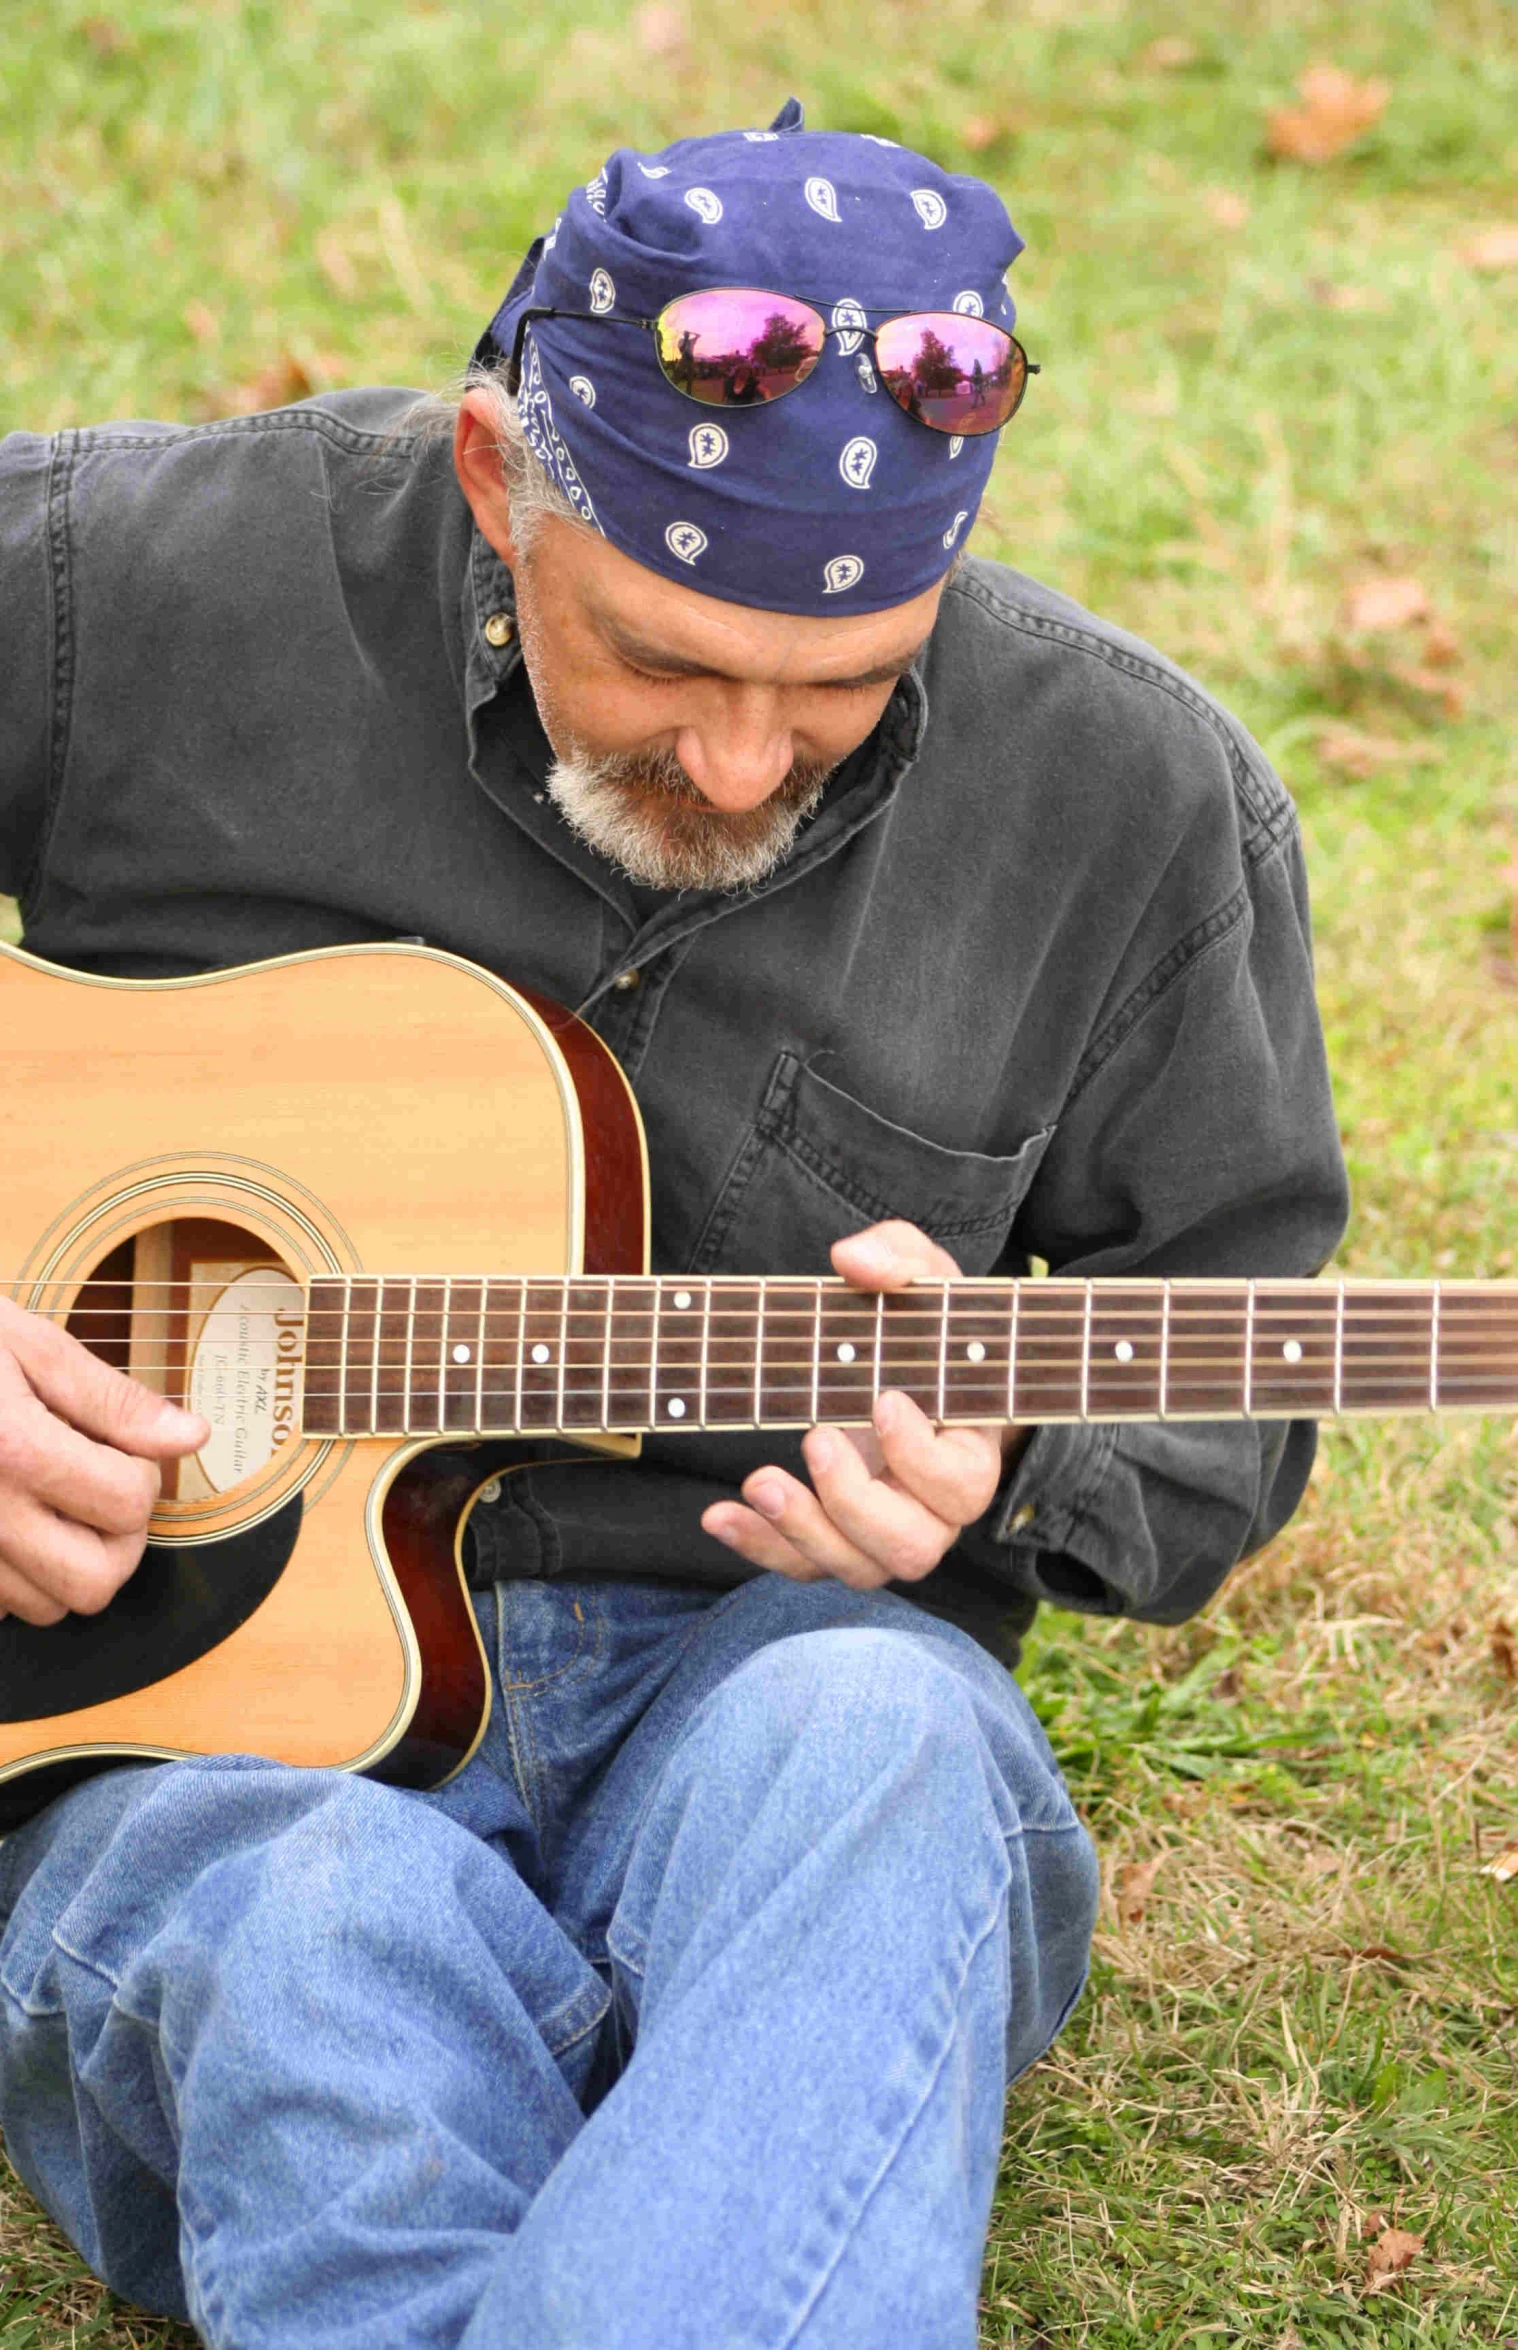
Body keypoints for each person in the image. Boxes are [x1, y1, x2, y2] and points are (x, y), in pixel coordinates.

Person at [0, 101, 1347, 2350]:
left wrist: (1007, 1457)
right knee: (323, 1922)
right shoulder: (118, 589)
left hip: (767, 1685)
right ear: (493, 477)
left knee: (886, 1765)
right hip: (180, 1725)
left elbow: (1236, 1379)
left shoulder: (1138, 806)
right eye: (659, 661)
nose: (739, 762)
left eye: (837, 692)